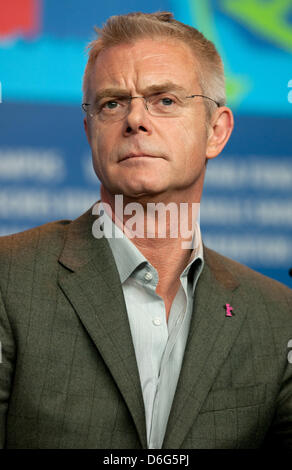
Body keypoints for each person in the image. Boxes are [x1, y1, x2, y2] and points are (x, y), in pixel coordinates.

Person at [0, 11, 291, 450]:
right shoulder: (8, 278)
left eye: (165, 100)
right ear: (90, 131)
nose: (135, 119)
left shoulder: (277, 315)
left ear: (217, 131)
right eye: (112, 103)